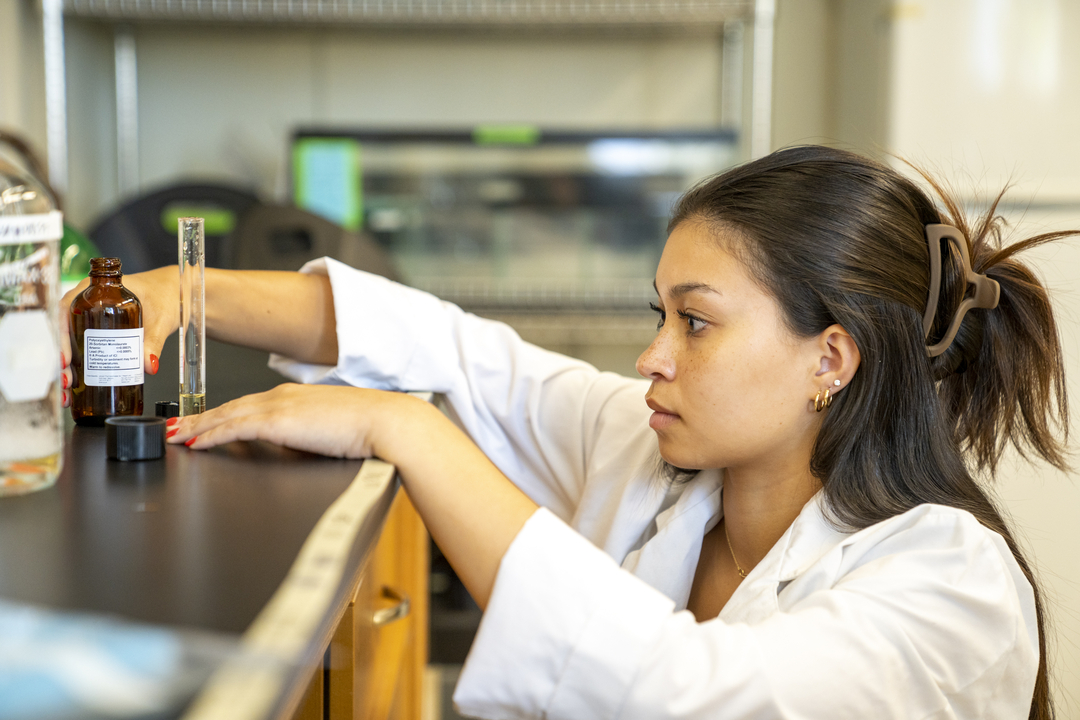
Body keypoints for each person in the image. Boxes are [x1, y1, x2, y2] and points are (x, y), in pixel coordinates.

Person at [60, 146, 1071, 719]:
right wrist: (177, 290)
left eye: (696, 322)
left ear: (830, 359)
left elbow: (689, 696)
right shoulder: (655, 452)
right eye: (659, 315)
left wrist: (404, 429)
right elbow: (451, 349)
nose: (653, 357)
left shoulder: (953, 588)